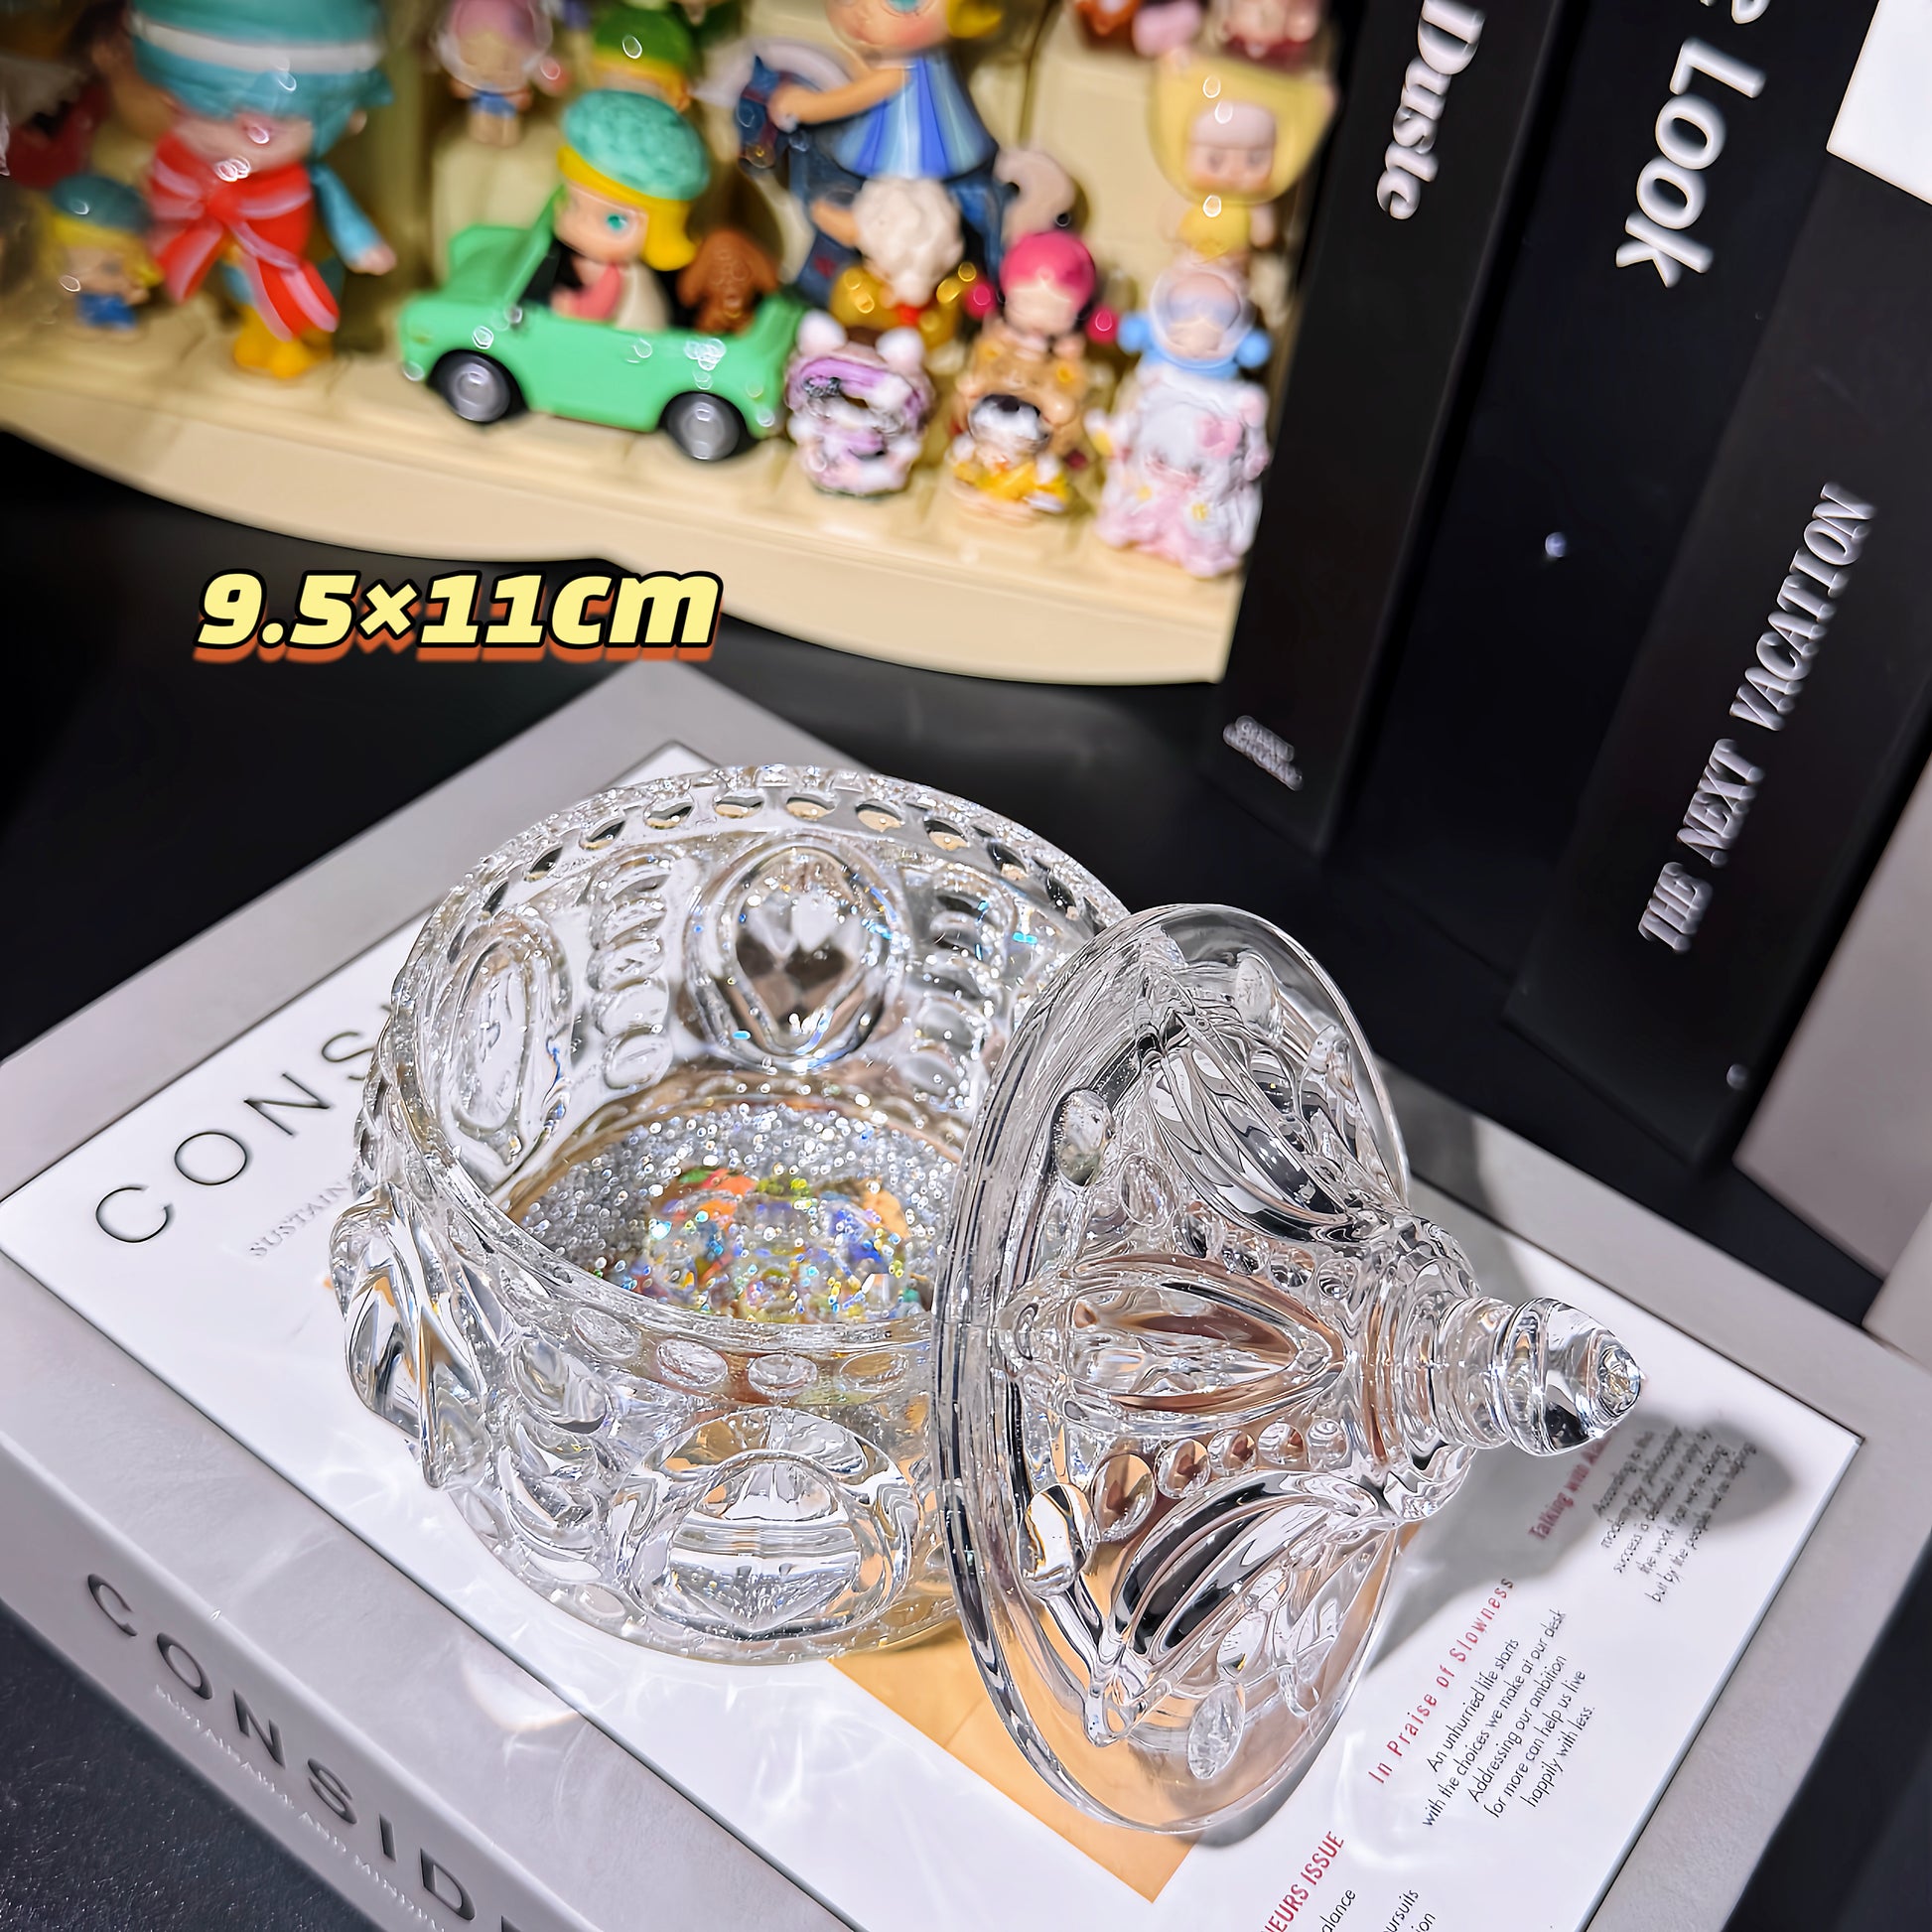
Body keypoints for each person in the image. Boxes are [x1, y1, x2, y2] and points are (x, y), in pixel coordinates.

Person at [131, 0, 394, 378]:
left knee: (297, 308)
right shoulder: (193, 170)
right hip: (240, 270)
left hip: (302, 260)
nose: (215, 136)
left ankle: (305, 345)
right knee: (253, 303)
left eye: (259, 131)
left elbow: (340, 210)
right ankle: (259, 334)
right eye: (187, 112)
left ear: (347, 117)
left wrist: (361, 246)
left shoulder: (304, 180)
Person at [545, 88, 706, 332]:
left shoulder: (615, 273)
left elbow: (596, 309)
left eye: (615, 221)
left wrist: (568, 306)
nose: (581, 226)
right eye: (573, 203)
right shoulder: (607, 265)